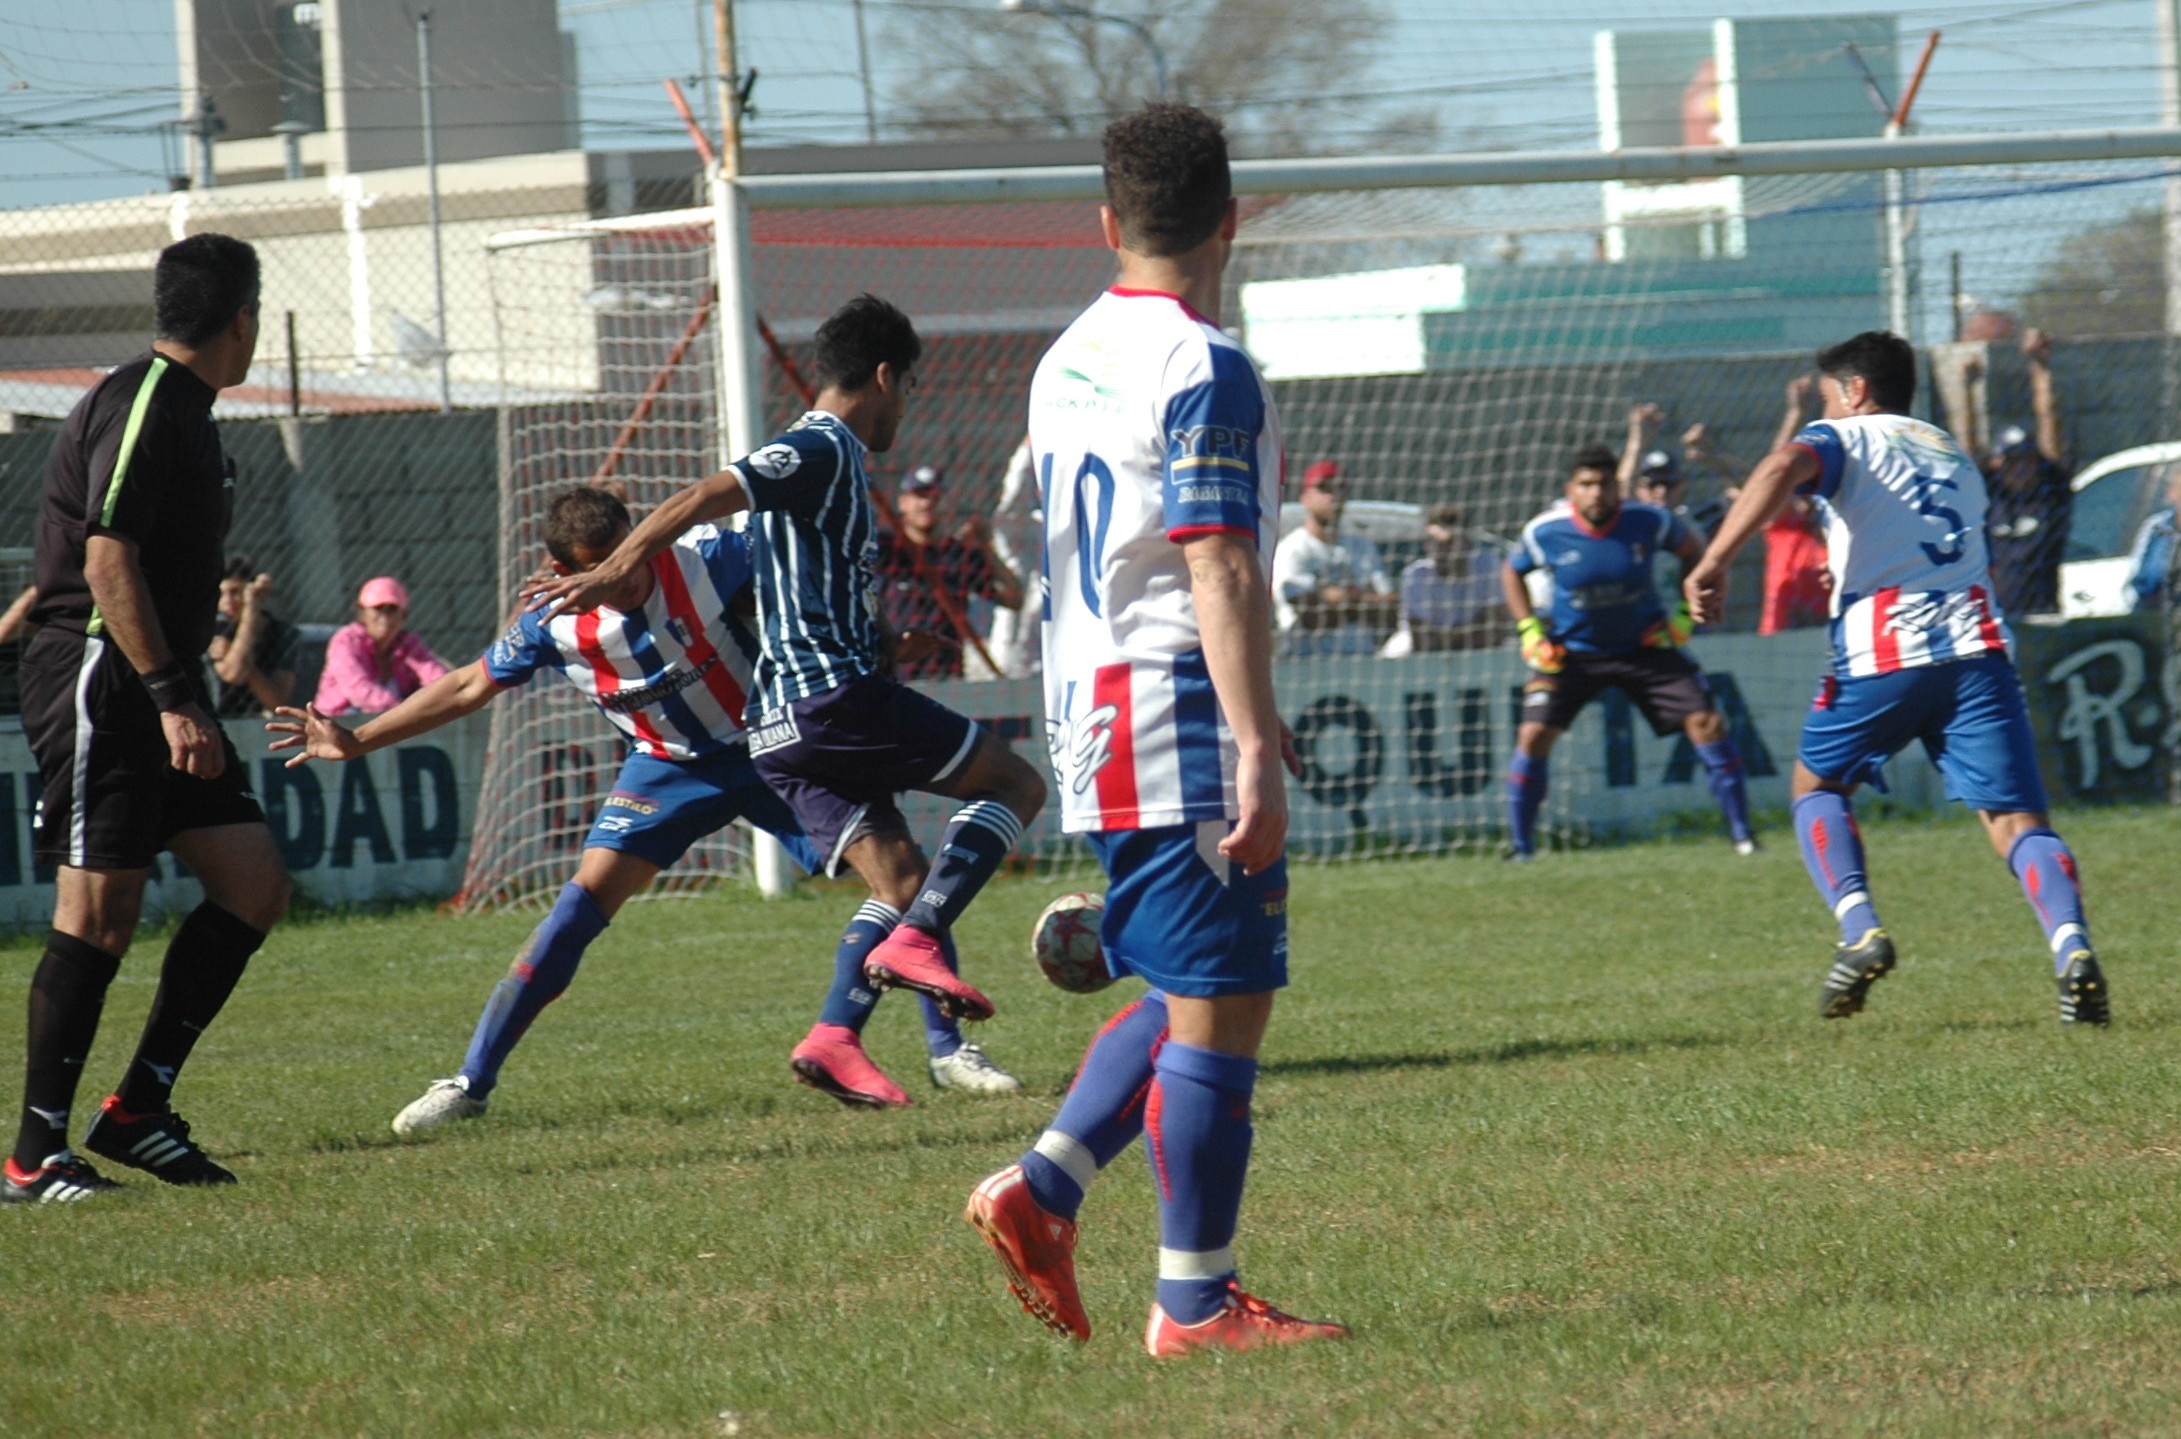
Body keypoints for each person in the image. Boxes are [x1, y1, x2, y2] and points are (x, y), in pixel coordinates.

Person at [964, 101, 1350, 1358]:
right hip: (1171, 700)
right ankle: (1193, 1300)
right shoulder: (1203, 362)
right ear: (1235, 219)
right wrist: (1249, 739)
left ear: (1106, 222)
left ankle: (1051, 1184)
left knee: (1204, 984)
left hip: (1092, 703)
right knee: (1226, 991)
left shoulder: (1066, 349)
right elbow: (1218, 562)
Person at [271, 487, 1015, 1120]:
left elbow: (805, 570)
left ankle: (948, 1049)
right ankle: (470, 1081)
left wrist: (877, 643)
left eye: (631, 552)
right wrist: (358, 739)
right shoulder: (551, 621)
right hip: (664, 767)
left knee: (902, 879)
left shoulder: (704, 558)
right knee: (576, 907)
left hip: (768, 746)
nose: (631, 574)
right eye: (607, 569)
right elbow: (468, 684)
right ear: (561, 573)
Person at [527, 294, 1047, 1100]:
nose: (904, 407)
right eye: (907, 388)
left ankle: (837, 1036)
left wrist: (878, 642)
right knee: (1016, 785)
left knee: (899, 873)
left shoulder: (822, 470)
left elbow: (790, 593)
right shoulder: (821, 447)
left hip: (774, 728)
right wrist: (613, 566)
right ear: (882, 376)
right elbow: (699, 496)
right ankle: (919, 941)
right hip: (829, 701)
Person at [1683, 330, 2107, 1026]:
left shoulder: (1843, 437)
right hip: (1977, 648)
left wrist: (1716, 560)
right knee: (2015, 821)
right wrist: (1845, 561)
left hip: (1884, 647)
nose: (1827, 409)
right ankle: (2072, 950)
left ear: (1854, 391)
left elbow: (1776, 466)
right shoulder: (1950, 454)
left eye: (1828, 397)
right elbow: (1921, 539)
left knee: (1814, 786)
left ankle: (1860, 931)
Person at [7, 233, 291, 1203]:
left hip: (159, 679)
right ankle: (31, 1153)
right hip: (104, 676)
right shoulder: (145, 402)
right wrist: (173, 698)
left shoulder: (193, 412)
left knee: (252, 879)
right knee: (97, 910)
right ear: (242, 317)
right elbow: (103, 559)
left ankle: (137, 1109)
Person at [1502, 444, 1757, 859]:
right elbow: (1511, 572)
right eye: (1586, 484)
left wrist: (1683, 614)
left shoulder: (1651, 522)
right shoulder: (1544, 532)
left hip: (1646, 647)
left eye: (1604, 484)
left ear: (1617, 489)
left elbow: (1693, 552)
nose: (1596, 493)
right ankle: (1521, 847)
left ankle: (1744, 837)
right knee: (1532, 734)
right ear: (1571, 490)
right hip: (1572, 653)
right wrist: (1529, 629)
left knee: (1708, 723)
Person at [876, 464, 1025, 681]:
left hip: (947, 676)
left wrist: (986, 547)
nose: (927, 504)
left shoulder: (957, 555)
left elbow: (1013, 598)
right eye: (920, 496)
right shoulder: (886, 549)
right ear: (903, 503)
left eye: (935, 497)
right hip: (893, 675)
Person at [1967, 328, 2071, 617]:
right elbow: (1970, 450)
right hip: (1995, 616)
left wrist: (2040, 367)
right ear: (1999, 463)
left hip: (2043, 614)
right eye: (2011, 462)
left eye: (2026, 460)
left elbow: (2049, 420)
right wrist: (1969, 388)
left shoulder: (2051, 492)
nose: (2020, 469)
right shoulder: (1993, 495)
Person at [1270, 460, 1396, 656]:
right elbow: (1308, 615)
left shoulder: (1362, 546)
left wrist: (1342, 599)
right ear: (1305, 496)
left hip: (1362, 661)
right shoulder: (1291, 550)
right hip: (1307, 663)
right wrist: (1363, 603)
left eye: (1340, 488)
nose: (1334, 496)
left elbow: (1389, 608)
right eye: (1324, 488)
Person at [1757, 377, 1831, 635]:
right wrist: (1796, 413)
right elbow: (1775, 475)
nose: (1804, 499)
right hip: (1779, 637)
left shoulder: (1838, 536)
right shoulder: (1784, 528)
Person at [313, 575, 450, 714]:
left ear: (404, 615)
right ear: (362, 613)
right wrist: (405, 711)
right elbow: (359, 690)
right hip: (341, 722)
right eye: (378, 608)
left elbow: (437, 678)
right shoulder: (345, 641)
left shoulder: (408, 643)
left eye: (392, 609)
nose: (385, 616)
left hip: (393, 721)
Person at [1388, 502, 1503, 654]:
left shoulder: (1489, 566)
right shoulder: (1416, 575)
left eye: (1448, 543)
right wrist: (1470, 631)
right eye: (1433, 542)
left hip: (1480, 652)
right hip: (1417, 654)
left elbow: (1495, 629)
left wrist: (1450, 637)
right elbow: (1423, 639)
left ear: (1466, 542)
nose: (1439, 550)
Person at [206, 557, 299, 716]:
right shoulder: (216, 626)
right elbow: (233, 673)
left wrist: (251, 608)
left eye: (236, 592)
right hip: (218, 718)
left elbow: (277, 702)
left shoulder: (283, 632)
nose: (227, 602)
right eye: (221, 594)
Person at [2124, 469, 2181, 611]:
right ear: (2170, 493)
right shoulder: (2156, 528)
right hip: (2154, 613)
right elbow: (2138, 574)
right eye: (2177, 489)